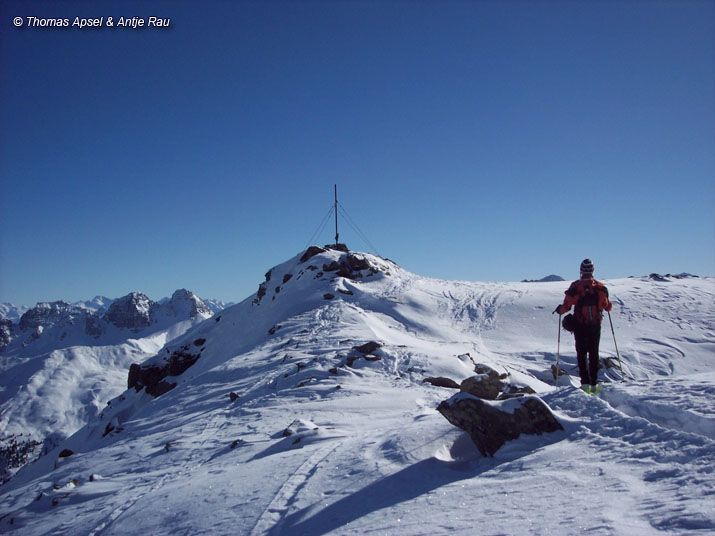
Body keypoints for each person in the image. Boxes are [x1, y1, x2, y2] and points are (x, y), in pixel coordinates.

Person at [554, 258, 612, 392]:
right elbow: (607, 306)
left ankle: (585, 384)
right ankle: (594, 384)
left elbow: (567, 305)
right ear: (593, 270)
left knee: (581, 354)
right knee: (594, 353)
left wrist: (560, 310)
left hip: (580, 325)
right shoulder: (599, 287)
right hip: (595, 325)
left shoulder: (576, 286)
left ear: (580, 271)